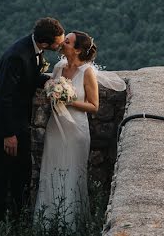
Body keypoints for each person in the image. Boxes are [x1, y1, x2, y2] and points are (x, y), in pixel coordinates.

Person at [33, 31, 126, 229]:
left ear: (77, 50)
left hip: (76, 131)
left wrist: (70, 100)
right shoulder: (58, 67)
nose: (62, 43)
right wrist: (54, 93)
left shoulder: (87, 72)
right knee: (51, 170)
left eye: (67, 41)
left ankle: (71, 226)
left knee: (73, 174)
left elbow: (94, 106)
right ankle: (47, 224)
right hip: (55, 128)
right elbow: (51, 88)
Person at [0, 17, 65, 224]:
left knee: (22, 171)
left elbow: (29, 78)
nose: (60, 46)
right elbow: (4, 97)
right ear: (45, 43)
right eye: (58, 43)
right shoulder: (17, 56)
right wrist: (9, 134)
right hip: (3, 122)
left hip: (18, 121)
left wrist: (49, 81)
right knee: (0, 172)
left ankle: (19, 221)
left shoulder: (33, 49)